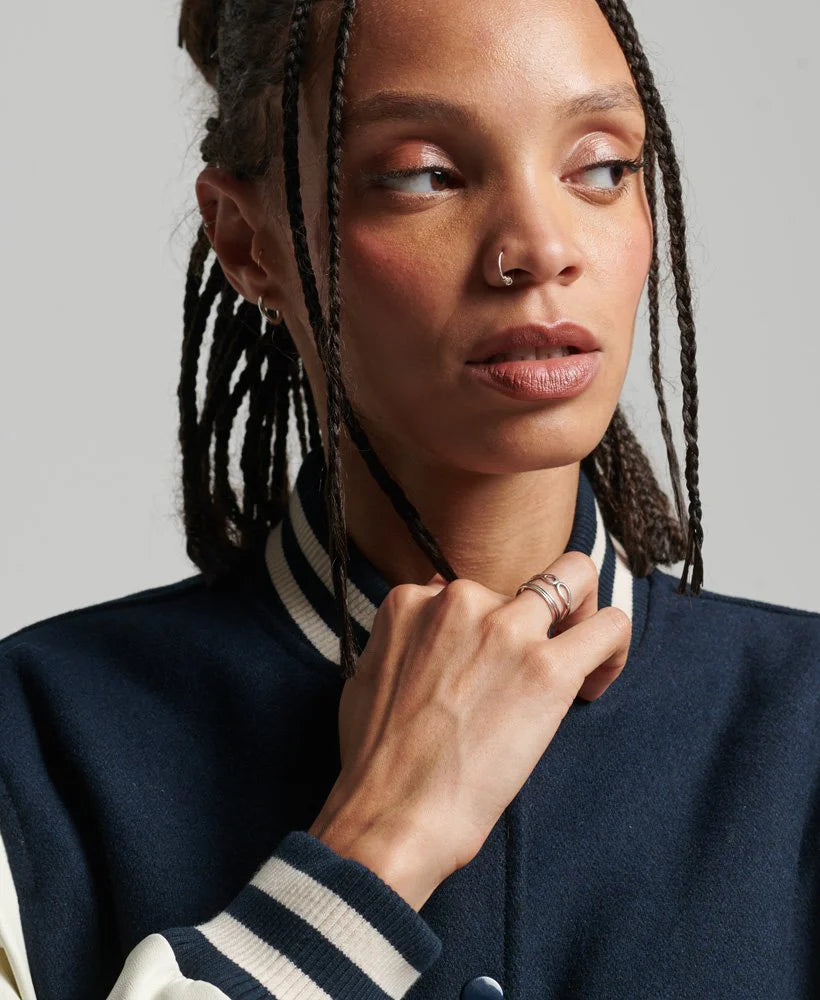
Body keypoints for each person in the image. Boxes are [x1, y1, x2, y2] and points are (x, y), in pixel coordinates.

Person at [1, 0, 818, 997]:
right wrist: (377, 847)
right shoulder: (34, 746)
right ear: (247, 239)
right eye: (425, 175)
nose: (539, 246)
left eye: (600, 166)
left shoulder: (804, 727)